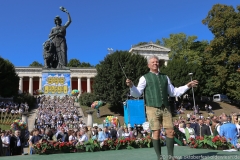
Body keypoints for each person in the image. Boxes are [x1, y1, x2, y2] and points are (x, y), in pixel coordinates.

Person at [126, 55, 198, 160]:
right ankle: (159, 157)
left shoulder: (165, 77)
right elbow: (137, 94)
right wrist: (132, 86)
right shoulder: (144, 77)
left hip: (166, 107)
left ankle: (170, 157)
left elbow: (173, 92)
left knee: (170, 131)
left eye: (157, 62)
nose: (155, 63)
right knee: (156, 132)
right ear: (148, 65)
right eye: (153, 62)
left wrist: (187, 86)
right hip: (151, 108)